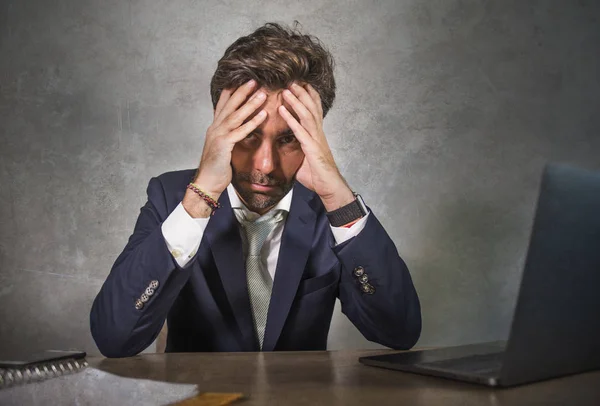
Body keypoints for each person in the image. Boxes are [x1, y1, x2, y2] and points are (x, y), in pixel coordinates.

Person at [90, 22, 421, 357]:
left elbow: (399, 332)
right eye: (248, 133)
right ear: (220, 128)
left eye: (288, 139)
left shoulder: (331, 213)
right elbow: (114, 338)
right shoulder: (172, 196)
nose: (265, 165)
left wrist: (338, 199)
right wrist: (200, 196)